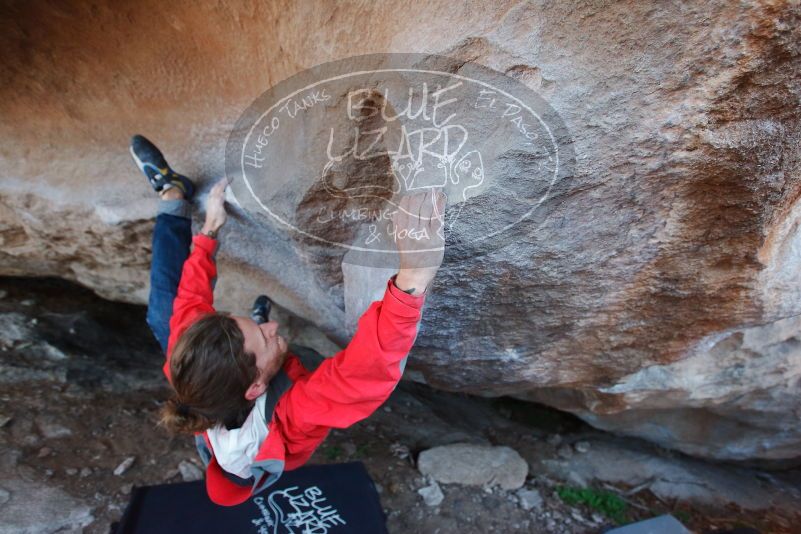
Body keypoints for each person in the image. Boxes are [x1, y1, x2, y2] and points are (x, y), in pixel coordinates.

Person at [131, 134, 445, 506]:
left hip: (226, 379)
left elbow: (190, 298)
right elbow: (361, 376)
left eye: (255, 325)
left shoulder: (186, 358)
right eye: (264, 334)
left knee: (162, 313)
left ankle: (172, 194)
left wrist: (210, 230)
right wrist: (411, 280)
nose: (275, 326)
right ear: (255, 388)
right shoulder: (291, 415)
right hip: (267, 414)